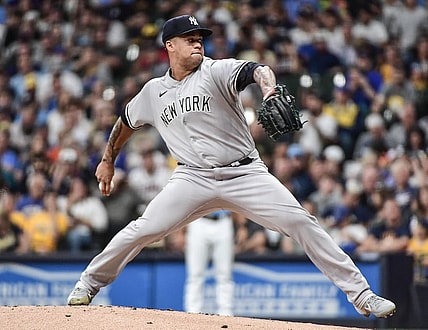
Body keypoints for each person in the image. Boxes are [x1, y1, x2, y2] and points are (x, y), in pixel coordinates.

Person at [67, 14, 396, 318]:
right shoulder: (153, 92)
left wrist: (268, 92)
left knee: (301, 222)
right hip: (192, 177)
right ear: (169, 45)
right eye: (189, 37)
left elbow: (258, 68)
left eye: (200, 37)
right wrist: (108, 159)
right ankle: (88, 284)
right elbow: (125, 121)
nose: (197, 42)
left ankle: (362, 295)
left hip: (244, 173)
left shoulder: (215, 71)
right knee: (143, 229)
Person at [184, 211, 235, 316]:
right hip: (198, 220)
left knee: (225, 273)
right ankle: (192, 312)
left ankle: (226, 312)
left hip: (223, 220)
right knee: (195, 273)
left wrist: (242, 225)